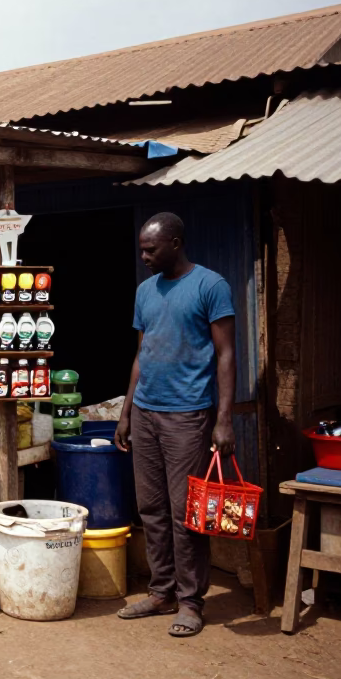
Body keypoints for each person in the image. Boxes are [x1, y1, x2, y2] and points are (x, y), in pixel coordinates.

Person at [115, 212, 236, 639]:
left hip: (188, 415)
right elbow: (141, 356)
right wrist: (127, 412)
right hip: (146, 412)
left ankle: (190, 601)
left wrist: (224, 419)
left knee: (185, 512)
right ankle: (161, 591)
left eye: (151, 249)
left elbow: (225, 355)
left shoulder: (210, 286)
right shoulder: (145, 291)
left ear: (176, 243)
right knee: (150, 508)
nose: (144, 256)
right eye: (142, 250)